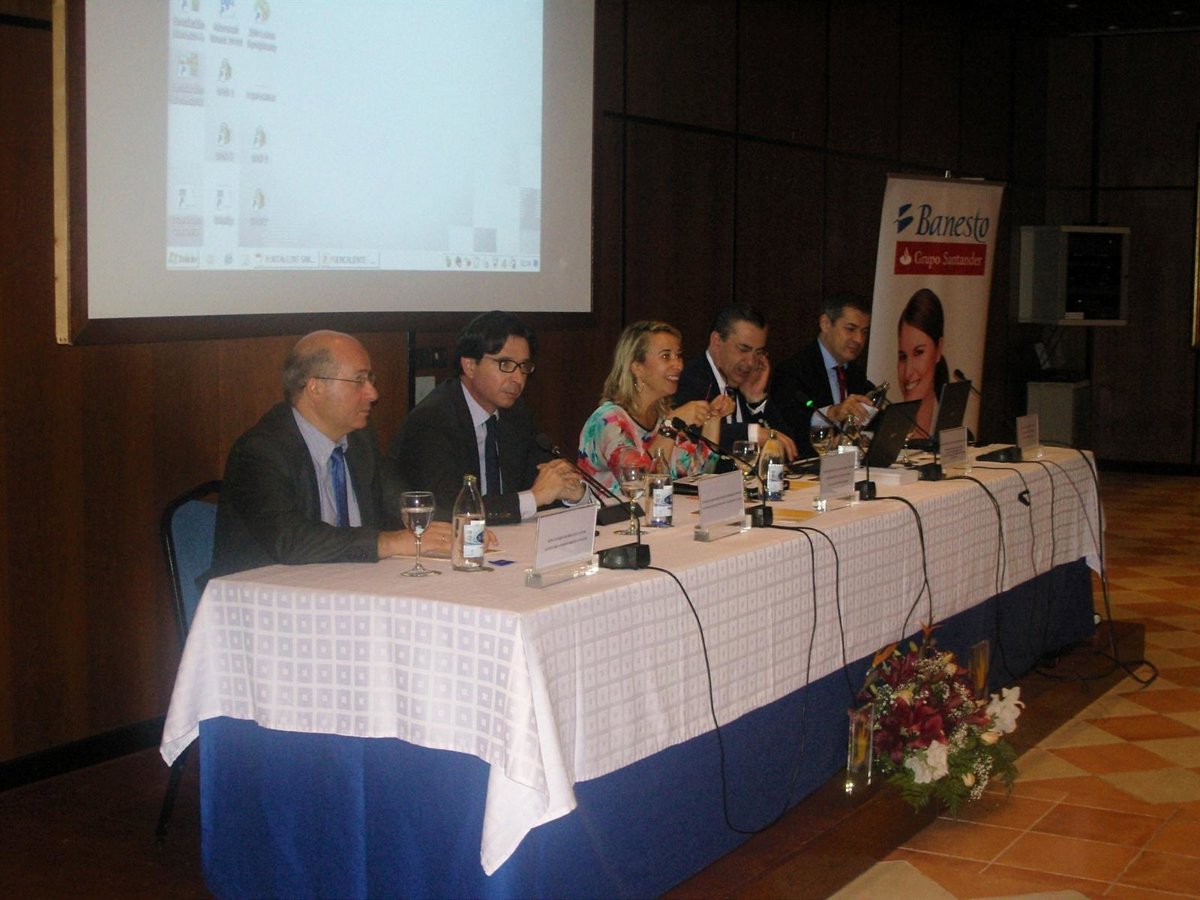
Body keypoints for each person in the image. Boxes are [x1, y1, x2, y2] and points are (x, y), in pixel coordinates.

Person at [211, 330, 453, 577]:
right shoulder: (260, 452)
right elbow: (289, 539)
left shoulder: (360, 438)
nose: (373, 394)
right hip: (267, 590)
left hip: (349, 582)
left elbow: (402, 502)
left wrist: (459, 526)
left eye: (370, 379)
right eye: (359, 380)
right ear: (315, 387)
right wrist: (388, 542)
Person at [389, 310, 585, 525]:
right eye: (505, 365)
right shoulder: (432, 421)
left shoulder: (516, 415)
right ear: (470, 365)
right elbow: (448, 507)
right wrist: (535, 497)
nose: (518, 379)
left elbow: (541, 480)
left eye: (523, 367)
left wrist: (571, 493)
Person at [578, 321, 734, 493]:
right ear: (637, 368)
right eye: (666, 356)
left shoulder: (663, 416)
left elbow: (697, 473)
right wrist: (670, 425)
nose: (679, 365)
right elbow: (639, 485)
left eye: (678, 355)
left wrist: (713, 418)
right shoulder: (608, 420)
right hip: (614, 511)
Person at [674, 303, 799, 460]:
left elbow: (788, 448)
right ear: (716, 341)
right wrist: (752, 434)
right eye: (743, 349)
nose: (751, 363)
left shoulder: (742, 382)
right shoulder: (690, 379)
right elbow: (695, 434)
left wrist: (756, 399)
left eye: (758, 352)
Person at [773, 292, 876, 452]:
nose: (859, 339)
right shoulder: (793, 370)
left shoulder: (855, 373)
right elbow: (790, 425)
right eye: (851, 329)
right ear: (826, 324)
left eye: (864, 332)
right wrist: (833, 413)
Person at [898, 288, 949, 439]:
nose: (908, 372)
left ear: (938, 349)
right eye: (902, 357)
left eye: (918, 353)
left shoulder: (955, 433)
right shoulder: (883, 434)